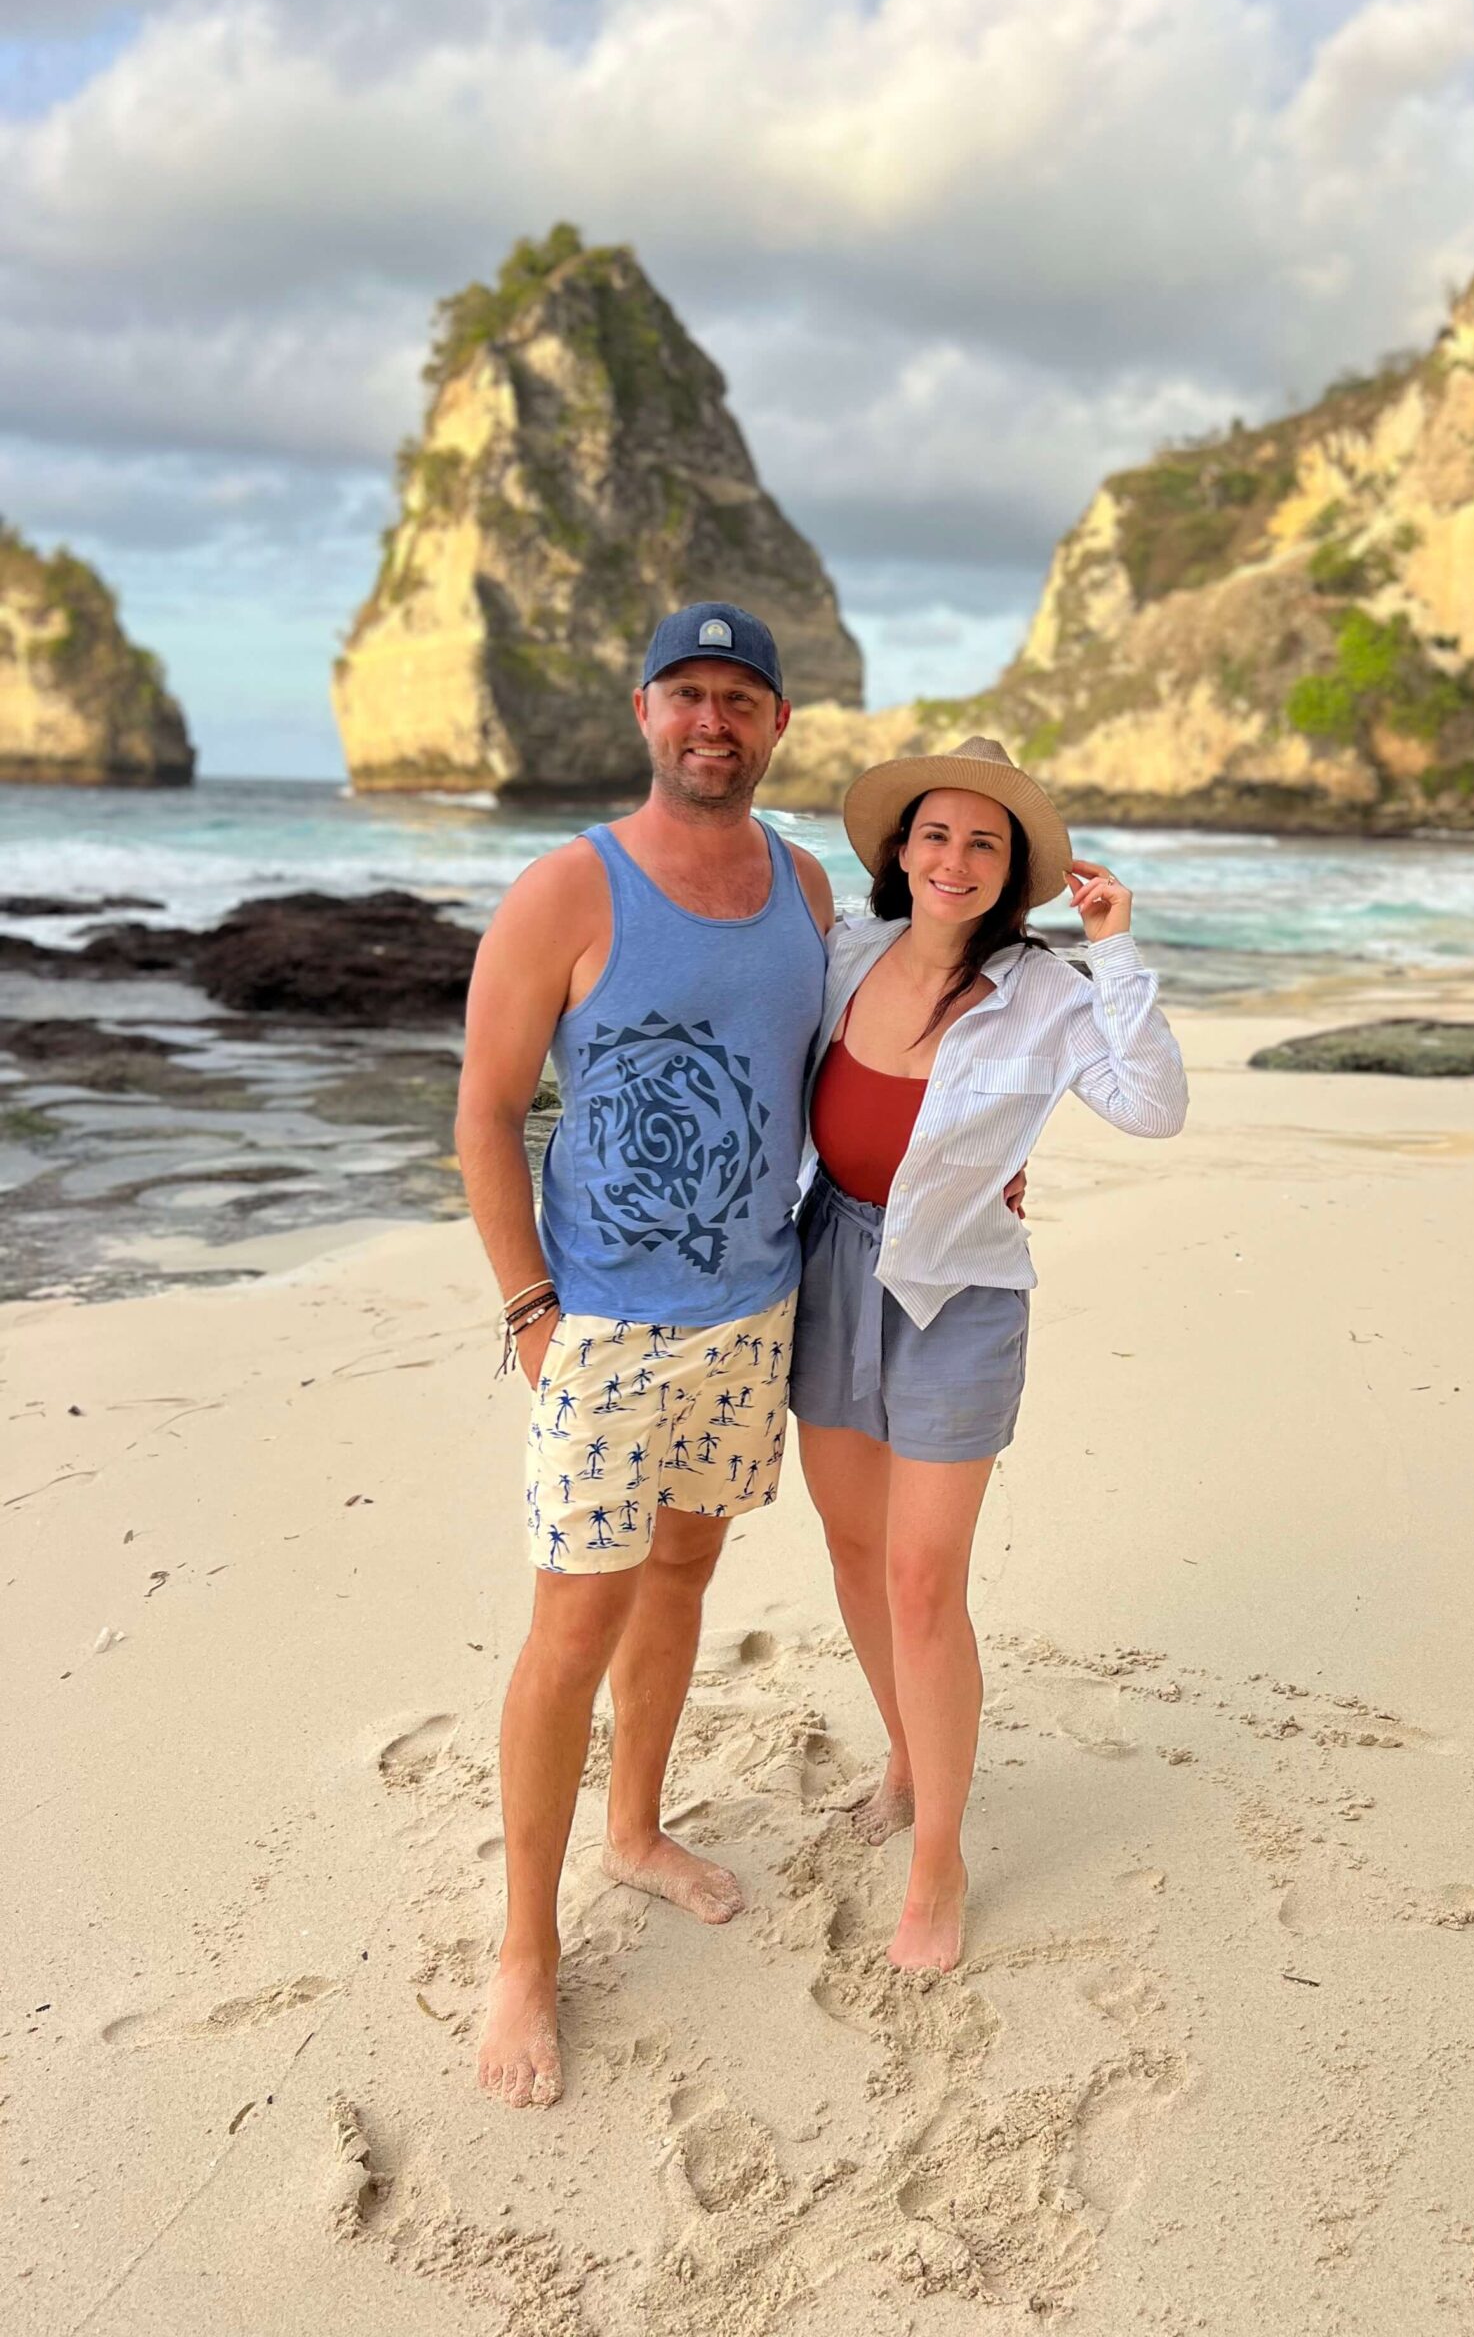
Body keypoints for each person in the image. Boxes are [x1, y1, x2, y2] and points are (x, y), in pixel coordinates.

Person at [455, 600, 837, 2110]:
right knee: (570, 1626)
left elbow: (871, 1056)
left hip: (753, 1314)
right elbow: (487, 1111)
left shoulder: (806, 885)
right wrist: (530, 1311)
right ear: (642, 711)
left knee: (684, 1573)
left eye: (741, 699)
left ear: (777, 727)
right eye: (688, 693)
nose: (714, 722)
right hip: (602, 1334)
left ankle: (637, 1828)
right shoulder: (567, 889)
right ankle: (526, 1952)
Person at [789, 734, 1188, 1973]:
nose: (954, 858)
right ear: (900, 851)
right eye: (935, 834)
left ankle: (940, 1854)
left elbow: (1153, 1104)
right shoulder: (848, 953)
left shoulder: (1048, 991)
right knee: (854, 1552)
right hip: (827, 1263)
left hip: (959, 1295)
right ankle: (908, 1755)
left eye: (983, 840)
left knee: (921, 1577)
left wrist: (1115, 946)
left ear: (1011, 866)